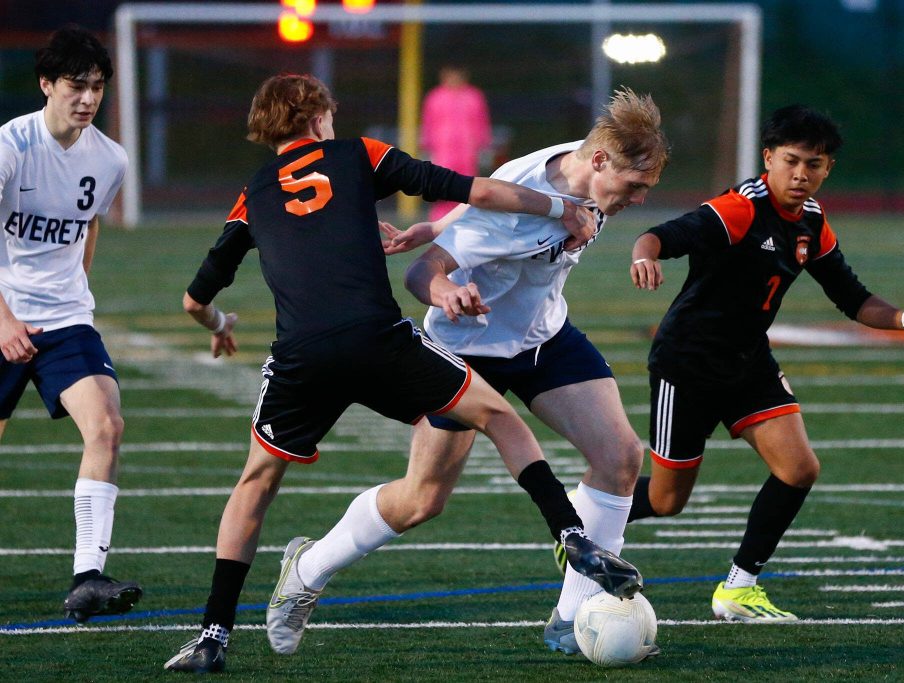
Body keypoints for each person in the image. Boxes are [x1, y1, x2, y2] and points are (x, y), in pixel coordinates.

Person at [163, 73, 641, 674]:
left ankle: (212, 634)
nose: (639, 193)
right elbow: (470, 194)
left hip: (309, 353)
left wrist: (218, 322)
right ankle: (311, 568)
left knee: (256, 481)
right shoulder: (357, 153)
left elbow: (193, 298)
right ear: (318, 120)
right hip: (399, 339)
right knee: (437, 483)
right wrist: (557, 209)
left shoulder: (251, 192)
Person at [624, 104, 904, 622]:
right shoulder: (739, 208)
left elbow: (853, 298)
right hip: (688, 365)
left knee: (798, 469)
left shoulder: (812, 222)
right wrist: (643, 256)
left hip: (749, 362)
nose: (801, 175)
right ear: (768, 157)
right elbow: (662, 236)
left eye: (814, 165)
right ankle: (584, 521)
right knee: (666, 501)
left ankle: (739, 588)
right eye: (792, 161)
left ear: (827, 169)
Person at [382, 87, 669, 656]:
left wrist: (439, 224)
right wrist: (446, 289)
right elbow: (422, 274)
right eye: (634, 186)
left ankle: (573, 618)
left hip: (544, 337)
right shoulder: (533, 192)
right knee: (421, 501)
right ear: (601, 162)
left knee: (620, 457)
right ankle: (311, 564)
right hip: (469, 349)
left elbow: (484, 198)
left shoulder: (581, 163)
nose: (639, 199)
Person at [0, 25, 142, 623]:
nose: (87, 99)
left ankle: (88, 577)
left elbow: (87, 225)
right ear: (46, 85)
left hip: (64, 320)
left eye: (96, 88)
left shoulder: (110, 158)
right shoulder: (11, 145)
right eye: (75, 86)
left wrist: (74, 291)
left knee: (107, 424)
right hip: (3, 311)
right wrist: (4, 318)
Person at [419, 65, 492, 220]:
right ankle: (439, 220)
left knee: (467, 184)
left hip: (467, 149)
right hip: (443, 149)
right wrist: (427, 144)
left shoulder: (473, 96)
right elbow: (428, 122)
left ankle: (466, 218)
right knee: (442, 182)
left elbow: (481, 121)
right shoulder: (435, 96)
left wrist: (483, 144)